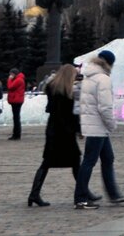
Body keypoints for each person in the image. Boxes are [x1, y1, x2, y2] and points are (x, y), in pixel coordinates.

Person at [74, 50, 124, 209]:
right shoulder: (103, 79)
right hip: (98, 126)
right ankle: (80, 198)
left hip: (93, 125)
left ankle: (113, 194)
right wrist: (112, 124)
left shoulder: (89, 77)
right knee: (89, 161)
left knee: (107, 158)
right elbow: (105, 107)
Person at [28, 64, 81, 207]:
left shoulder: (52, 89)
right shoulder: (68, 92)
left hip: (53, 130)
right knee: (76, 161)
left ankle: (34, 194)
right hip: (65, 131)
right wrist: (78, 129)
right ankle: (83, 191)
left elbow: (52, 110)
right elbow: (72, 114)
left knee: (47, 163)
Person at [7, 68, 26, 140]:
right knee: (16, 117)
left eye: (11, 74)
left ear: (15, 74)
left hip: (16, 100)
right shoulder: (20, 79)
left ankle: (16, 134)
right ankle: (16, 134)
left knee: (16, 118)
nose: (10, 75)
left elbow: (10, 87)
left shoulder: (18, 80)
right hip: (17, 100)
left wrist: (9, 80)